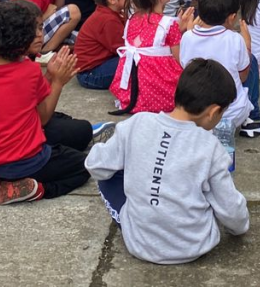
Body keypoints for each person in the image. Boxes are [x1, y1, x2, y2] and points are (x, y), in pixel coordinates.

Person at [85, 58, 249, 265]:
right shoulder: (210, 147)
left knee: (108, 174)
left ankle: (143, 218)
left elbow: (95, 165)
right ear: (213, 112)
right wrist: (240, 228)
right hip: (194, 246)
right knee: (206, 185)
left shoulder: (137, 123)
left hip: (139, 244)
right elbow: (231, 209)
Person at [0, 2, 94, 205]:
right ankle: (36, 189)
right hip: (29, 162)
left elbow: (17, 105)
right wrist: (58, 82)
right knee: (85, 166)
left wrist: (50, 76)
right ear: (23, 39)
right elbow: (43, 117)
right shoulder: (29, 71)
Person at [180, 0, 260, 137]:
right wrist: (247, 46)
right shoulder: (235, 39)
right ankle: (254, 117)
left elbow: (185, 69)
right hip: (231, 115)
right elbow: (243, 76)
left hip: (196, 114)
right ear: (231, 18)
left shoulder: (187, 37)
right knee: (251, 61)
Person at [110, 0, 191, 115]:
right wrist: (187, 33)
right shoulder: (169, 24)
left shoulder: (131, 20)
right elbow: (180, 59)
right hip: (159, 88)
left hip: (133, 89)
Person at [74, 0, 129, 90]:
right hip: (91, 74)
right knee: (134, 61)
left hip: (97, 66)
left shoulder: (109, 13)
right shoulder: (108, 20)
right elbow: (124, 49)